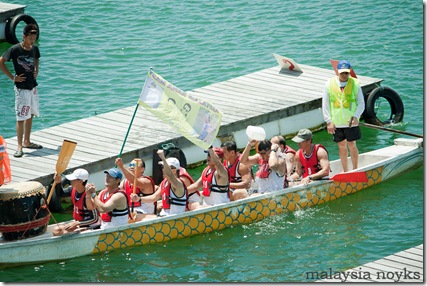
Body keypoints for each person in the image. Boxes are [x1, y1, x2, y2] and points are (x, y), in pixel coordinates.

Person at [0, 24, 42, 158]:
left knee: (30, 114)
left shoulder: (34, 48)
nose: (32, 41)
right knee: (21, 117)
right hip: (21, 87)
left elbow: (36, 58)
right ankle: (19, 146)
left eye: (34, 38)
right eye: (30, 38)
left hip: (32, 86)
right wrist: (12, 77)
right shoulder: (15, 49)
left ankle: (27, 141)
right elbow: (1, 61)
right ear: (24, 36)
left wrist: (36, 69)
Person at [322, 60, 365, 172]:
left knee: (352, 144)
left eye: (346, 73)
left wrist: (356, 116)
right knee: (341, 146)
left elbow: (361, 103)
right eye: (342, 73)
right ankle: (345, 170)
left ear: (349, 72)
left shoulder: (355, 84)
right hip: (336, 122)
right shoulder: (329, 84)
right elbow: (325, 104)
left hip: (351, 122)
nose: (344, 75)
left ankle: (355, 168)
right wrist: (328, 121)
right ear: (337, 72)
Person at [136, 150, 188, 220]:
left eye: (164, 167)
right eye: (162, 167)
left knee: (137, 217)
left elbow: (170, 175)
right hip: (163, 216)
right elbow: (154, 197)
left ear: (174, 170)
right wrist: (138, 199)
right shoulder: (165, 182)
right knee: (135, 215)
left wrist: (163, 158)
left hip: (173, 219)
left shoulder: (178, 184)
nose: (162, 170)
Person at [52, 169, 100, 236]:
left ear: (80, 181)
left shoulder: (88, 195)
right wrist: (58, 183)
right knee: (56, 230)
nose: (70, 181)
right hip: (80, 223)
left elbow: (95, 219)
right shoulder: (73, 189)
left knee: (59, 232)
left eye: (73, 179)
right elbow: (60, 194)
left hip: (91, 225)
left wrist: (77, 223)